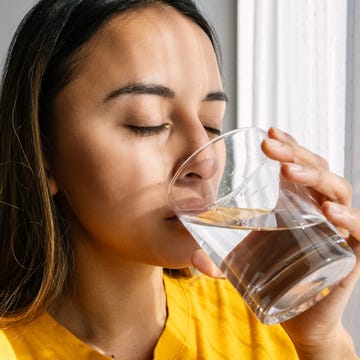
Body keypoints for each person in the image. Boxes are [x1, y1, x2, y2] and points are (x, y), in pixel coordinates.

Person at [0, 0, 359, 359]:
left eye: (211, 123)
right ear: (42, 152)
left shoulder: (264, 326)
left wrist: (319, 342)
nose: (204, 158)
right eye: (148, 123)